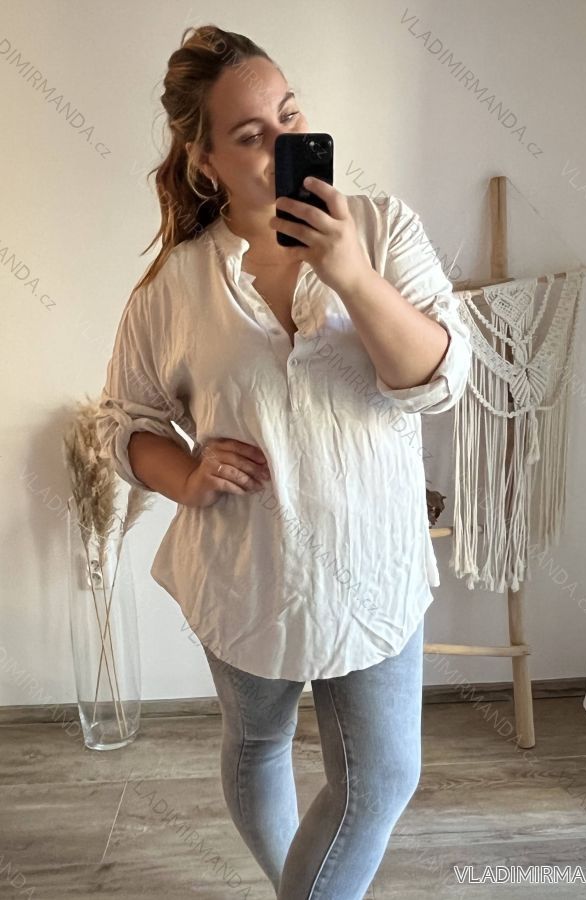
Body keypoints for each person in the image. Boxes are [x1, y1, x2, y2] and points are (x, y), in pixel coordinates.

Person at [96, 24, 472, 899]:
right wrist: (185, 475)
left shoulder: (381, 228)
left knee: (380, 779)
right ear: (204, 162)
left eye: (290, 117)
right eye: (250, 135)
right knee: (259, 744)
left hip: (374, 562)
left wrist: (351, 275)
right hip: (245, 568)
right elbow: (125, 422)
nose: (282, 142)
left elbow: (439, 380)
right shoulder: (174, 287)